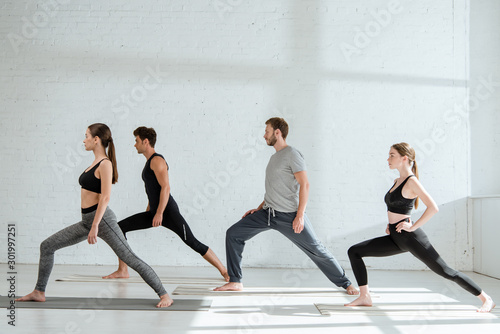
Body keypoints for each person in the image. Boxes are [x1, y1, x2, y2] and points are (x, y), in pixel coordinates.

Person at [16, 124, 173, 308]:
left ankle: (164, 295)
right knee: (47, 246)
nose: (84, 140)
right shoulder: (94, 162)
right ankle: (39, 291)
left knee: (131, 258)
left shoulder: (105, 164)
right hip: (87, 221)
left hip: (102, 220)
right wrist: (91, 224)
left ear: (96, 139)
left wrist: (95, 225)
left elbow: (105, 197)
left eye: (86, 136)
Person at [345, 142, 495, 312]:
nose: (388, 159)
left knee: (446, 271)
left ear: (404, 158)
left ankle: (486, 298)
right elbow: (397, 207)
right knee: (354, 251)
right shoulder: (397, 180)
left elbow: (433, 207)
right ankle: (365, 296)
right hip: (396, 236)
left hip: (411, 238)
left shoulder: (411, 181)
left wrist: (413, 226)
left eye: (392, 155)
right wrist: (391, 224)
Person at [215, 117, 358, 294]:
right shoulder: (274, 158)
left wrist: (300, 215)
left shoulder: (292, 154)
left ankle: (346, 283)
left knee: (316, 249)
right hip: (267, 213)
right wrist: (259, 208)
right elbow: (274, 188)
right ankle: (235, 281)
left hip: (288, 216)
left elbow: (304, 184)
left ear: (277, 132)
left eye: (266, 131)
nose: (264, 135)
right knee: (233, 234)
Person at [103, 126, 228, 281]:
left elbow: (166, 187)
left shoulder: (157, 160)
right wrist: (150, 206)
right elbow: (153, 187)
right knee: (120, 228)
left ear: (145, 141)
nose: (134, 144)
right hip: (155, 211)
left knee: (192, 241)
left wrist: (160, 213)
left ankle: (224, 271)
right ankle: (123, 270)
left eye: (136, 141)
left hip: (167, 211)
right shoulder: (150, 162)